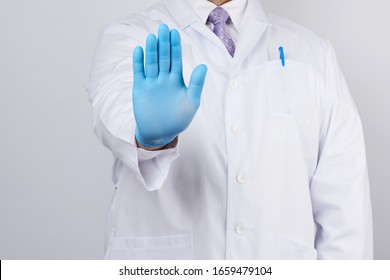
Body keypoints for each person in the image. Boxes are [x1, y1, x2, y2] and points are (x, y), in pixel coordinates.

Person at [87, 0, 373, 259]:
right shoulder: (130, 35)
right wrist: (150, 137)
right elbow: (113, 108)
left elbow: (345, 212)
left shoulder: (313, 53)